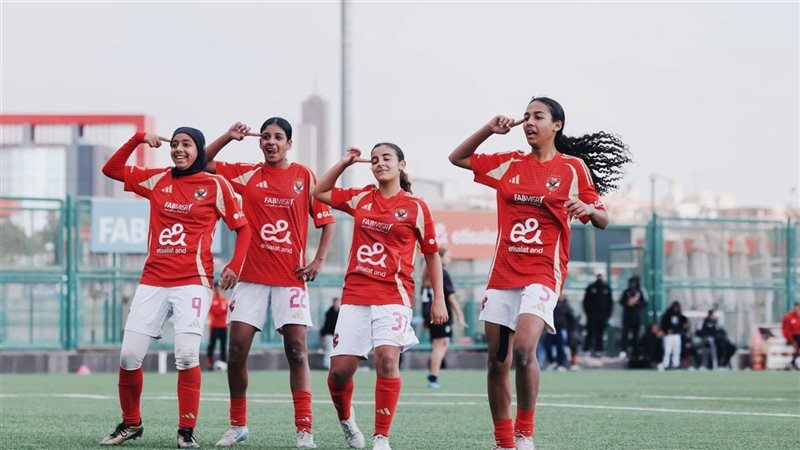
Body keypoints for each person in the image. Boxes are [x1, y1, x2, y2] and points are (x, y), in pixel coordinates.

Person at [448, 96, 630, 450]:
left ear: (556, 125)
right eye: (526, 116)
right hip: (503, 274)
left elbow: (604, 220)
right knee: (496, 362)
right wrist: (489, 129)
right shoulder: (509, 163)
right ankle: (504, 441)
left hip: (543, 274)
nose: (529, 122)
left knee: (523, 350)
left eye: (538, 116)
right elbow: (457, 158)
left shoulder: (573, 168)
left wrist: (588, 208)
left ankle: (524, 433)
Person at [99, 128, 251, 448]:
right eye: (176, 144)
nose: (179, 150)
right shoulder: (157, 179)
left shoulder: (215, 184)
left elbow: (243, 228)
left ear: (200, 150)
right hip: (153, 280)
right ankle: (131, 423)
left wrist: (235, 265)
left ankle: (186, 431)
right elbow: (110, 169)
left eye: (187, 145)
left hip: (193, 282)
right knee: (129, 356)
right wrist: (138, 138)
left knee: (185, 354)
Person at [204, 119, 336, 448]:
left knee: (297, 351)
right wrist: (228, 136)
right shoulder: (248, 173)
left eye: (278, 137)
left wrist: (318, 261)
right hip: (250, 277)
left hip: (291, 278)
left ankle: (304, 429)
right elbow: (202, 162)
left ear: (289, 143)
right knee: (236, 351)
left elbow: (326, 220)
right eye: (265, 137)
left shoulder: (305, 176)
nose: (271, 142)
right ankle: (237, 425)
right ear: (259, 143)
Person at [313, 143, 448, 450]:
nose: (379, 163)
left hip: (394, 296)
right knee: (339, 373)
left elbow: (431, 254)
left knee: (387, 359)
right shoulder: (361, 197)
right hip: (356, 294)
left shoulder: (417, 207)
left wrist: (438, 299)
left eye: (386, 158)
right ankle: (346, 419)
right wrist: (344, 163)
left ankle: (381, 436)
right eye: (374, 160)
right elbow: (319, 192)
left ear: (402, 165)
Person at [421, 247, 467, 388]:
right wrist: (460, 315)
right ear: (439, 258)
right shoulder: (442, 273)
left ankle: (432, 371)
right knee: (441, 345)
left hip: (430, 314)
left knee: (439, 344)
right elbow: (451, 297)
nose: (449, 259)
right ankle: (433, 377)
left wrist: (425, 319)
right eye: (447, 256)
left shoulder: (428, 273)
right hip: (440, 315)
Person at [582, 273, 613, 357]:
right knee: (590, 332)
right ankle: (587, 349)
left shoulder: (607, 288)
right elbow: (585, 301)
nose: (599, 277)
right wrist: (588, 313)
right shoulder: (591, 287)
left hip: (603, 316)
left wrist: (607, 314)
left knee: (600, 333)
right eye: (598, 275)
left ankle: (599, 350)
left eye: (601, 275)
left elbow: (610, 303)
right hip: (592, 316)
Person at [543, 295, 576, 371]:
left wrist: (571, 330)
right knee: (547, 345)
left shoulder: (566, 306)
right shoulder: (552, 303)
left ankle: (561, 364)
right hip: (550, 329)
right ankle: (552, 362)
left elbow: (571, 319)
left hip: (561, 330)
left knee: (561, 347)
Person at [619, 275, 647, 358]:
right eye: (632, 282)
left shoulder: (640, 292)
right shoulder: (626, 291)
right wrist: (628, 303)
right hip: (627, 317)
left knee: (636, 336)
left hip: (636, 317)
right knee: (625, 334)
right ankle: (624, 350)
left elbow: (644, 303)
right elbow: (621, 301)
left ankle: (635, 352)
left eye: (635, 282)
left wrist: (636, 303)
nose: (633, 284)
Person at [206, 281, 230, 371]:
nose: (219, 289)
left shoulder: (224, 299)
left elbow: (227, 310)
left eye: (220, 287)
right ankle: (209, 364)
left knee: (223, 346)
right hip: (214, 326)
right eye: (217, 287)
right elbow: (215, 311)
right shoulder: (212, 299)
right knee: (212, 345)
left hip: (223, 326)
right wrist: (222, 310)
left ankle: (224, 363)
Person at [660, 301, 688, 369]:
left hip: (677, 335)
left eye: (677, 307)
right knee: (667, 350)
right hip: (668, 336)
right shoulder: (667, 316)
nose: (676, 308)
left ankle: (676, 364)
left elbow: (684, 325)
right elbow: (663, 325)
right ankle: (665, 364)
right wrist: (666, 330)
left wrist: (684, 328)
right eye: (675, 307)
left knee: (677, 350)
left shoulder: (681, 317)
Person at [320, 297, 342, 370]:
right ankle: (327, 365)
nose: (336, 304)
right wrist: (323, 334)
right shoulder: (329, 313)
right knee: (329, 350)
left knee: (338, 350)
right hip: (329, 334)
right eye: (335, 302)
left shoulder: (341, 313)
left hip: (337, 334)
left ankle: (337, 365)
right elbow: (326, 325)